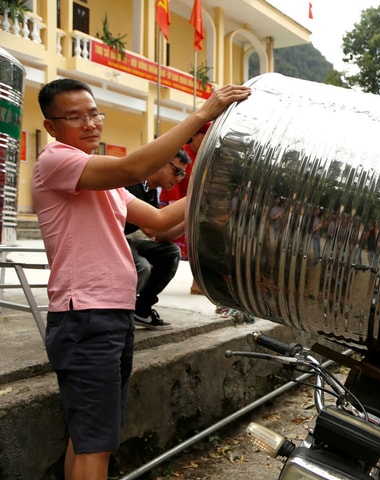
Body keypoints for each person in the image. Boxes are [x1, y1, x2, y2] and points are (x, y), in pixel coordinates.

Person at [33, 77, 250, 480]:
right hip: (86, 316)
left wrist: (220, 182)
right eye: (75, 117)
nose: (90, 124)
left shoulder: (105, 184)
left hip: (112, 313)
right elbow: (133, 167)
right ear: (51, 127)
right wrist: (203, 114)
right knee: (94, 446)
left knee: (89, 439)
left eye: (94, 113)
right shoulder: (56, 160)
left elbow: (162, 224)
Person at [125, 149, 191, 330]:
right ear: (160, 161)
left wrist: (191, 219)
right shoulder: (134, 184)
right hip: (105, 240)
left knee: (170, 252)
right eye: (177, 171)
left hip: (121, 241)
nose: (179, 179)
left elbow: (160, 236)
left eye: (183, 175)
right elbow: (153, 226)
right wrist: (192, 199)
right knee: (141, 266)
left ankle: (142, 309)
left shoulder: (150, 191)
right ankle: (116, 315)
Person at [160, 121, 210, 294]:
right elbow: (170, 183)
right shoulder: (181, 155)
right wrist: (174, 207)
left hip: (193, 207)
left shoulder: (206, 156)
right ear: (195, 135)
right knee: (165, 241)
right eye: (204, 137)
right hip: (174, 204)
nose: (207, 141)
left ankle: (197, 283)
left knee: (199, 244)